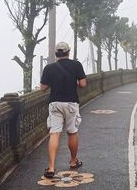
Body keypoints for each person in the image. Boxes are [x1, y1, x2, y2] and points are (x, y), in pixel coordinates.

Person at [40, 42, 87, 178]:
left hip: (55, 103)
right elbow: (83, 84)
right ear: (68, 52)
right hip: (71, 103)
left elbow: (43, 87)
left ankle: (51, 167)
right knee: (72, 132)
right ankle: (73, 161)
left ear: (56, 53)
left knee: (54, 134)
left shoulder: (49, 68)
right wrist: (75, 81)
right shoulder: (76, 65)